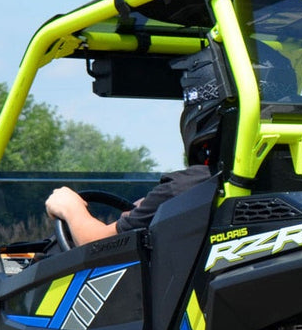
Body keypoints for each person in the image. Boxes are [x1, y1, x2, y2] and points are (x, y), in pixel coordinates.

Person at [44, 49, 228, 246]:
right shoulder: (248, 185)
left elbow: (99, 246)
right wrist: (144, 211)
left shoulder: (185, 189)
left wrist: (71, 208)